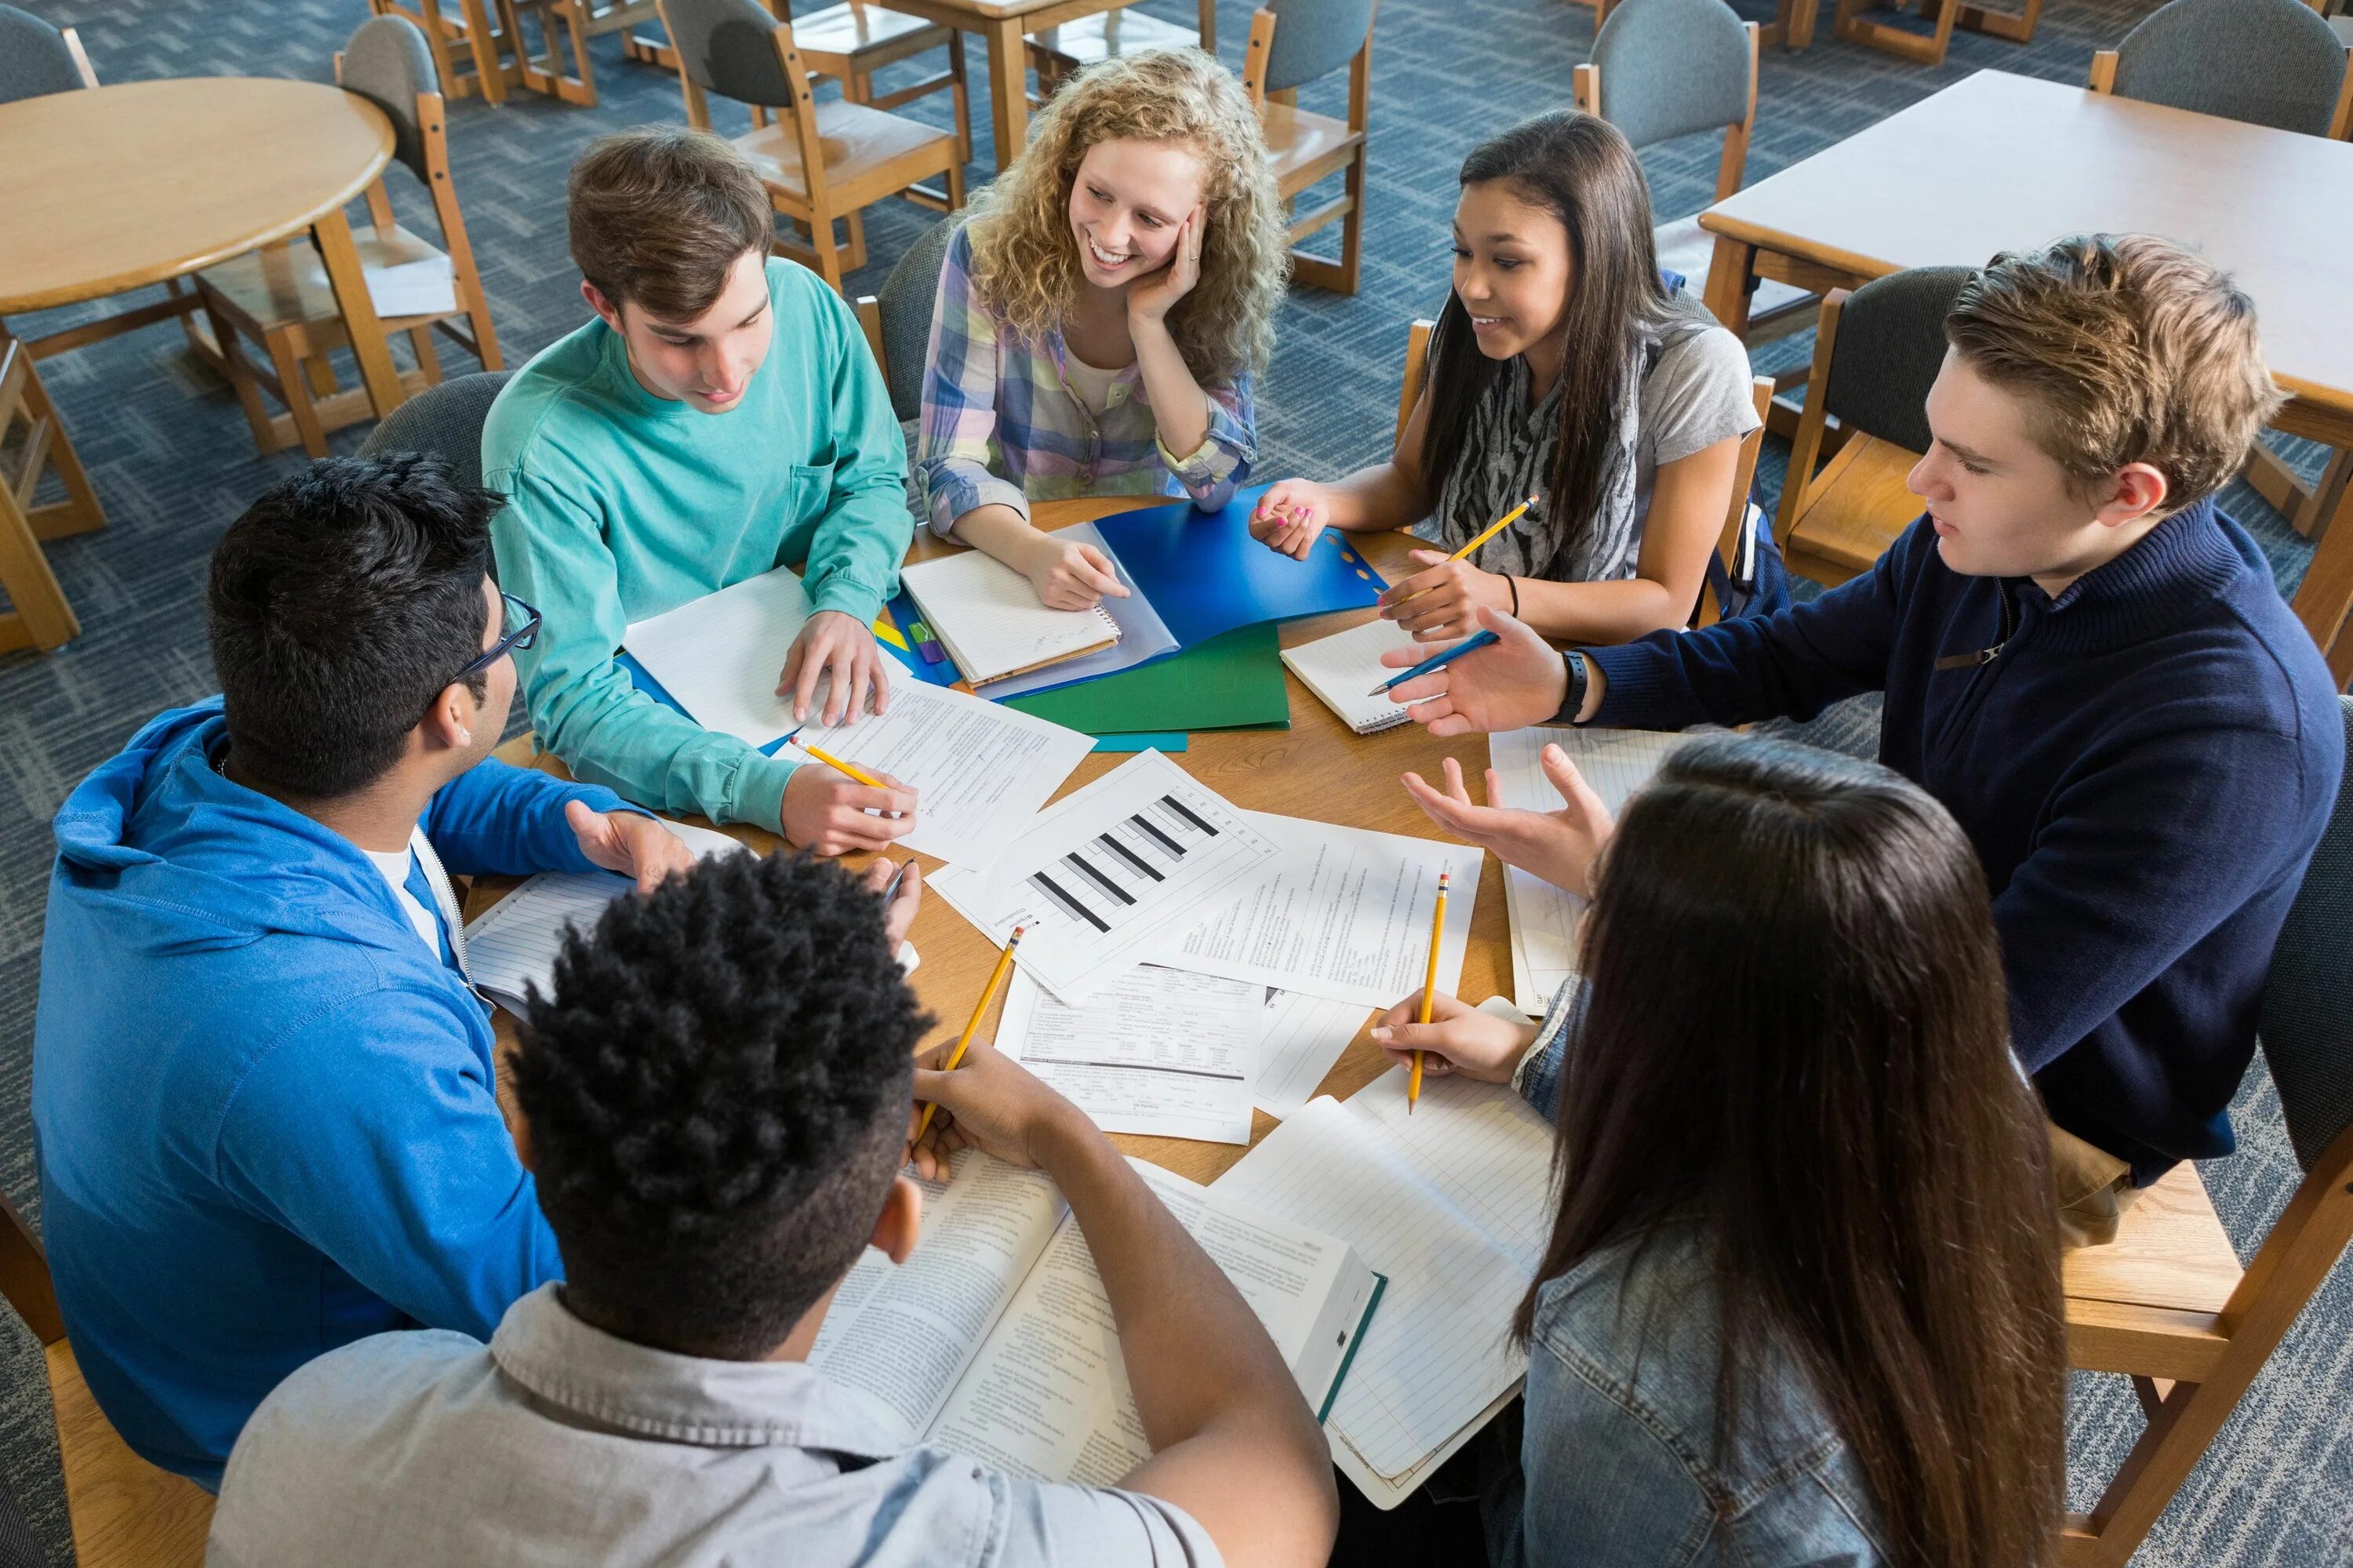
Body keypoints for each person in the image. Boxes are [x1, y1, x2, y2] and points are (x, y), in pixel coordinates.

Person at [1382, 234, 2344, 1246]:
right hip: (1898, 944)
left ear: (2130, 491)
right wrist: (1574, 679)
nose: (1922, 479)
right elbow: (1789, 654)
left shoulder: (2226, 735)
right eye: (1936, 436)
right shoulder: (1995, 537)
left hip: (2034, 1104)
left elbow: (1935, 1048)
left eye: (1972, 462)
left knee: (1611, 1230)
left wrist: (1579, 1026)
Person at [208, 850, 1341, 1568]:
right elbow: (1277, 1472)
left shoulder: (312, 1417)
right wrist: (1066, 1137)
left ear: (525, 1139)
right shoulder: (960, 1540)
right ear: (894, 1225)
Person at [31, 456, 705, 1489]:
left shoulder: (213, 756)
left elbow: (427, 801)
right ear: (451, 711)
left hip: (222, 1281)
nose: (517, 644)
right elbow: (552, 1297)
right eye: (510, 632)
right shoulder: (325, 1027)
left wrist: (602, 828)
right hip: (273, 1414)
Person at [1356, 737, 2065, 1568]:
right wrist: (1534, 1047)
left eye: (1602, 933)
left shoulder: (1637, 1364)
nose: (1585, 933)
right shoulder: (1963, 1089)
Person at [484, 126, 919, 856]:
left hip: (828, 671)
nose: (727, 372)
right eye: (682, 339)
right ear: (604, 306)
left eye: (749, 321)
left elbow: (873, 478)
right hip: (661, 745)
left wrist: (846, 599)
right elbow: (573, 698)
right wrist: (762, 792)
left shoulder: (807, 304)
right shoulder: (539, 448)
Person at [1249, 111, 1763, 645]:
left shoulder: (1693, 366)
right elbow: (1411, 480)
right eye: (1463, 252)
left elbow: (1665, 601)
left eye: (1508, 261)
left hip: (1600, 660)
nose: (1472, 287)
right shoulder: (1483, 329)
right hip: (1471, 620)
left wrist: (1502, 595)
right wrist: (1323, 500)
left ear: (1596, 260)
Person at [918, 48, 1288, 609]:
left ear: (1204, 226)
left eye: (1150, 218)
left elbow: (1217, 485)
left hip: (1141, 562)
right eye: (1098, 193)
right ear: (1069, 169)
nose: (1112, 236)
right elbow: (947, 466)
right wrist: (1035, 552)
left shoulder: (1215, 292)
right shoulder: (987, 255)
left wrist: (1150, 323)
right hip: (1007, 556)